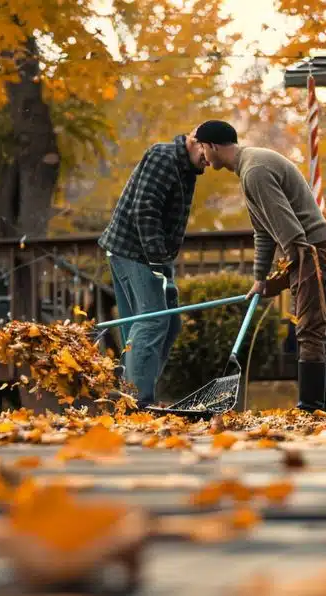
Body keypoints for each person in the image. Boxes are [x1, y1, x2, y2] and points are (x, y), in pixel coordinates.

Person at [192, 119, 326, 413]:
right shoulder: (249, 168)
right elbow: (263, 231)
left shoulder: (255, 171)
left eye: (202, 149)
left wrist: (297, 266)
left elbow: (289, 228)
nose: (203, 158)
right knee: (308, 327)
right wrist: (261, 278)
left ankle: (312, 408)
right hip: (304, 248)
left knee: (310, 328)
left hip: (309, 249)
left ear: (212, 146)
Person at [98, 132, 209, 407]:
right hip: (134, 250)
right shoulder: (163, 157)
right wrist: (158, 259)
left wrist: (163, 259)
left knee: (168, 322)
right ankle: (138, 401)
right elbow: (144, 210)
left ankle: (131, 391)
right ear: (196, 140)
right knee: (152, 319)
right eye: (206, 154)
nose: (209, 163)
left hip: (150, 254)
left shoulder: (185, 167)